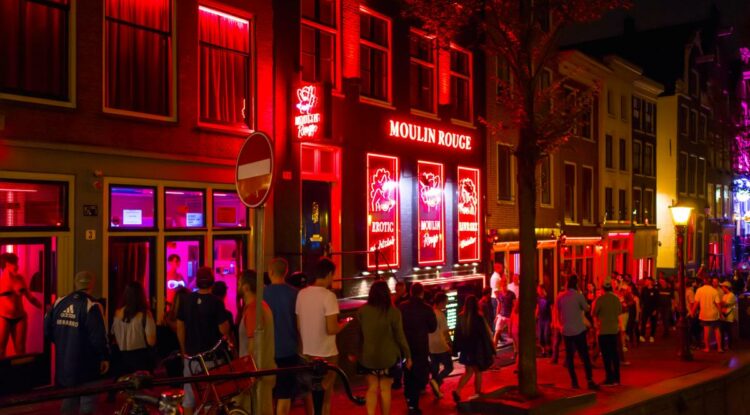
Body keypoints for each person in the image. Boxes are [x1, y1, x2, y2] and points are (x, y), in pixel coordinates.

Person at [44, 271, 110, 415]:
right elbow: (98, 337)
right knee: (88, 403)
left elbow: (47, 330)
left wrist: (63, 342)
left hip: (66, 363)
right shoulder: (92, 305)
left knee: (69, 400)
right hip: (88, 364)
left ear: (75, 284)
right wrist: (104, 357)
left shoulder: (59, 302)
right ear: (92, 285)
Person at [296, 258, 350, 415]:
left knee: (310, 394)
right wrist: (345, 323)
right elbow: (332, 328)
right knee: (325, 395)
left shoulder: (302, 294)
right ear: (328, 274)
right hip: (326, 353)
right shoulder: (329, 296)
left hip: (306, 353)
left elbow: (299, 325)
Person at [177, 267, 232, 415]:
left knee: (188, 398)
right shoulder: (216, 302)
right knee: (211, 399)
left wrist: (184, 350)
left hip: (191, 357)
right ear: (212, 282)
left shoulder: (186, 300)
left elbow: (180, 326)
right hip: (211, 358)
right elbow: (223, 329)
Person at [357, 281, 411, 415]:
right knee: (385, 389)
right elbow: (400, 336)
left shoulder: (362, 311)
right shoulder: (393, 312)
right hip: (388, 357)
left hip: (368, 357)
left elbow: (358, 335)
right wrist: (408, 356)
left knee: (372, 388)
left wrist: (355, 352)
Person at [263, 258, 309, 415]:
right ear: (286, 272)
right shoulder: (295, 294)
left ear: (270, 272)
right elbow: (299, 324)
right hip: (289, 349)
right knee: (285, 395)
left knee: (268, 393)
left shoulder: (262, 294)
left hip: (268, 351)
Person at [238, 270, 276, 415]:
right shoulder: (262, 306)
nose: (238, 286)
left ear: (246, 287)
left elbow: (253, 344)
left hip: (256, 374)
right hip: (264, 370)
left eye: (239, 283)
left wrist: (248, 374)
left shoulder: (254, 309)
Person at [399, 283, 437, 414]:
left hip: (405, 345)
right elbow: (433, 327)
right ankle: (413, 404)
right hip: (421, 346)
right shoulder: (427, 308)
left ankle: (409, 399)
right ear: (422, 293)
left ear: (410, 292)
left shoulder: (402, 307)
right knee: (418, 373)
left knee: (408, 373)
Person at [556, 275, 598, 390]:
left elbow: (558, 313)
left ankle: (574, 381)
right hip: (579, 329)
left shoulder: (560, 297)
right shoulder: (579, 296)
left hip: (566, 330)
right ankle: (589, 380)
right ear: (576, 284)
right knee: (584, 355)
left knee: (569, 357)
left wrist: (561, 325)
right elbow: (586, 308)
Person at [451, 295, 495, 403]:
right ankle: (477, 393)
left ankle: (458, 390)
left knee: (468, 372)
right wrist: (491, 349)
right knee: (478, 371)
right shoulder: (478, 317)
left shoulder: (461, 316)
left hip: (466, 349)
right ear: (476, 305)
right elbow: (484, 335)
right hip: (476, 349)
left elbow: (457, 335)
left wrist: (455, 349)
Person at [0, 252, 42, 358]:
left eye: (17, 263)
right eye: (14, 263)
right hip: (3, 317)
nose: (17, 266)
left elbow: (30, 297)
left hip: (20, 317)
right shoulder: (1, 281)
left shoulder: (20, 279)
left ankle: (21, 368)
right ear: (6, 264)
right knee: (1, 349)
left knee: (20, 349)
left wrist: (43, 307)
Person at [111, 281, 156, 374]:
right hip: (140, 358)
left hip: (121, 358)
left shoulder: (117, 313)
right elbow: (151, 341)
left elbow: (114, 336)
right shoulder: (145, 315)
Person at [593, 281, 622, 386]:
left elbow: (594, 313)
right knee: (615, 354)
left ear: (603, 289)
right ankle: (617, 378)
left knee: (606, 356)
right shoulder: (616, 299)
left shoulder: (600, 299)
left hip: (604, 330)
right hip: (614, 330)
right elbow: (619, 313)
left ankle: (609, 378)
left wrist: (596, 326)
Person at [428, 292, 453, 398]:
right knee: (449, 367)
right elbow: (445, 332)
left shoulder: (429, 313)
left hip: (430, 345)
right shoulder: (440, 315)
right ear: (441, 302)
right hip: (441, 345)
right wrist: (450, 344)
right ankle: (436, 381)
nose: (446, 305)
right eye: (445, 303)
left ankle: (437, 391)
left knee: (435, 368)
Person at [690, 277, 723, 353]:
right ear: (711, 282)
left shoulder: (699, 290)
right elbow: (718, 304)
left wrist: (692, 312)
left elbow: (696, 303)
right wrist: (721, 313)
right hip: (714, 314)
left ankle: (707, 348)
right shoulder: (714, 291)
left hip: (704, 314)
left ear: (704, 281)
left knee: (706, 331)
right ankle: (719, 348)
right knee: (717, 330)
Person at [492, 279, 516, 347]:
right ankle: (494, 350)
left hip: (509, 316)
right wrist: (497, 315)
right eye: (502, 285)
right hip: (501, 315)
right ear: (500, 286)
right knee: (497, 333)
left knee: (512, 334)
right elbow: (499, 305)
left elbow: (514, 305)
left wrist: (512, 315)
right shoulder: (499, 294)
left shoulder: (511, 294)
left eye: (505, 284)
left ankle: (516, 350)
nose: (503, 286)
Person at [638, 278, 659, 343]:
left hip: (653, 308)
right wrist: (641, 306)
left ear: (650, 281)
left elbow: (657, 300)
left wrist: (655, 309)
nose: (645, 282)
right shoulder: (644, 289)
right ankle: (642, 335)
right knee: (643, 322)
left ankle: (652, 336)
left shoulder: (655, 290)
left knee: (653, 323)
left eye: (647, 281)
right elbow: (641, 298)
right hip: (645, 308)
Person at [719, 281, 737, 351]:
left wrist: (719, 303)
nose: (722, 288)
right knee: (722, 332)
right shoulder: (724, 295)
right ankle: (723, 346)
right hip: (724, 316)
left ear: (726, 287)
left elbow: (725, 304)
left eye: (722, 287)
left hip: (729, 316)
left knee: (729, 332)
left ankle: (729, 346)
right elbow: (722, 304)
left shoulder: (731, 295)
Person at [536, 285, 552, 357]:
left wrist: (553, 320)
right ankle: (543, 351)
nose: (538, 291)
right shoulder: (538, 298)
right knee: (540, 336)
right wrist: (535, 316)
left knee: (546, 335)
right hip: (540, 319)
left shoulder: (548, 298)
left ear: (542, 289)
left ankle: (549, 349)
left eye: (539, 289)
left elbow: (552, 309)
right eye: (537, 290)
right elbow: (537, 308)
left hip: (547, 319)